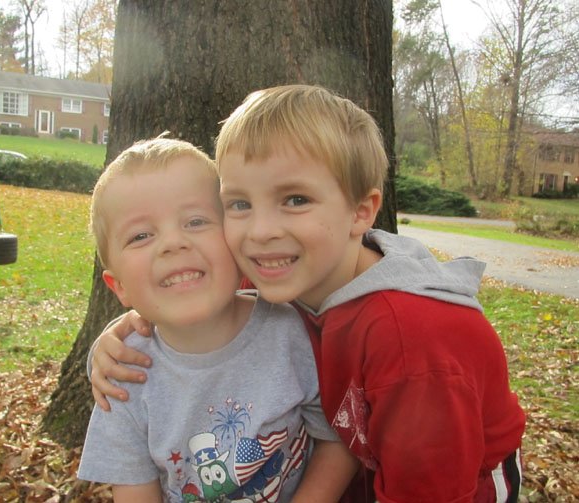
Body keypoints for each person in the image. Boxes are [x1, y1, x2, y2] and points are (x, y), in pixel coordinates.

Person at [89, 86, 526, 502]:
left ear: (361, 211)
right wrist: (124, 332)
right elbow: (192, 294)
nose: (261, 232)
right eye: (240, 204)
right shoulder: (292, 271)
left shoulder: (414, 343)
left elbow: (431, 491)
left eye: (295, 199)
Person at [77, 136, 357, 503]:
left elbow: (339, 442)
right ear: (119, 288)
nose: (173, 243)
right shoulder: (124, 377)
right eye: (141, 235)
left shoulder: (291, 332)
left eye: (196, 221)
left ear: (234, 237)